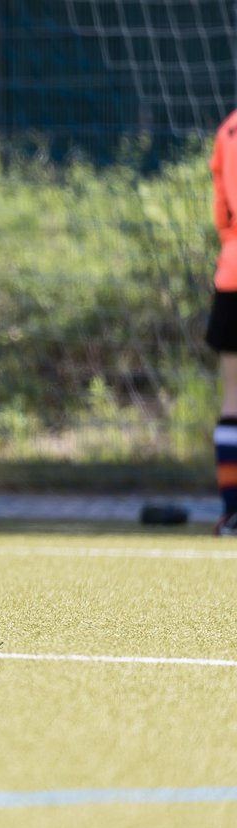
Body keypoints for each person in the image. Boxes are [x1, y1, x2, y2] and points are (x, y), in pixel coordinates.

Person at [207, 110, 237, 535]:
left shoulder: (229, 127)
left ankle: (232, 511)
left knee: (234, 398)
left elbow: (221, 208)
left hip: (233, 272)